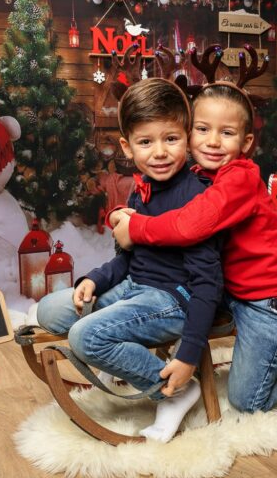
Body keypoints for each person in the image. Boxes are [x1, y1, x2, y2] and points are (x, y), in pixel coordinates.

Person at [110, 82, 277, 413]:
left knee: (246, 401)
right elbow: (168, 211)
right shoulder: (199, 176)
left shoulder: (239, 179)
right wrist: (123, 214)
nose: (212, 141)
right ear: (188, 131)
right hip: (238, 295)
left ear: (246, 142)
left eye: (226, 133)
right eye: (202, 129)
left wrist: (135, 228)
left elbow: (189, 225)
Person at [36, 78, 223, 443]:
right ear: (127, 145)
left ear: (186, 136)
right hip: (134, 287)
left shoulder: (198, 197)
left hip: (174, 300)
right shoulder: (142, 191)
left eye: (171, 139)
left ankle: (173, 390)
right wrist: (93, 280)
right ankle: (122, 354)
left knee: (84, 337)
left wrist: (187, 356)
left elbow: (208, 285)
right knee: (49, 311)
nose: (160, 152)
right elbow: (126, 259)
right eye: (145, 142)